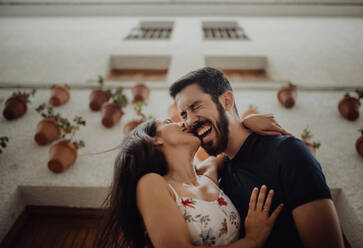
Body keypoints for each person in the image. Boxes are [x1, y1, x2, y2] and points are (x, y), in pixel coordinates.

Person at [169, 67, 345, 248]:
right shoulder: (219, 175)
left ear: (227, 101)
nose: (189, 121)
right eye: (184, 114)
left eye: (196, 106)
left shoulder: (287, 152)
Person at [95, 116, 285, 248]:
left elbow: (231, 144)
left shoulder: (208, 177)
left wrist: (246, 122)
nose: (184, 123)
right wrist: (251, 241)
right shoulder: (152, 183)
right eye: (169, 121)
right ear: (155, 141)